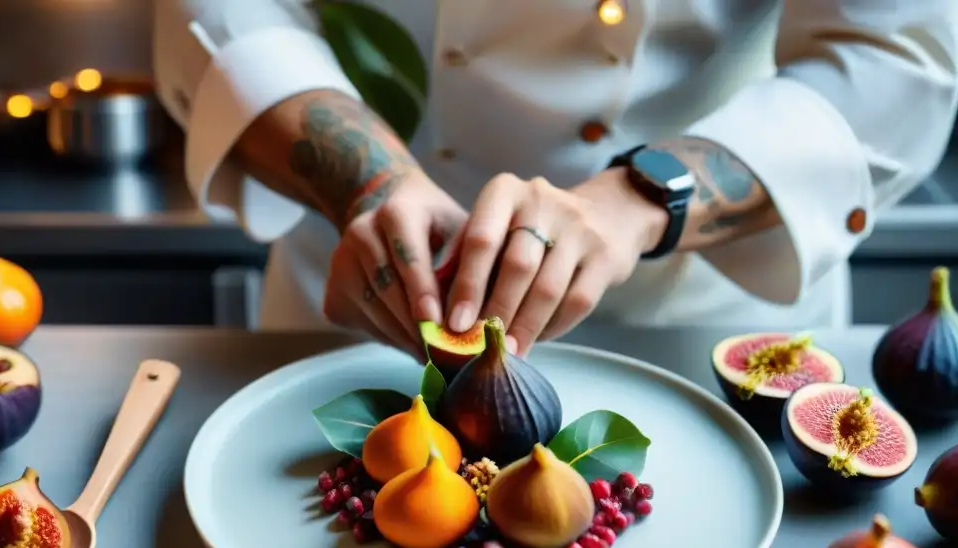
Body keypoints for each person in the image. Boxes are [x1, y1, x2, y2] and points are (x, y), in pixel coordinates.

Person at [153, 0, 958, 357]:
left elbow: (893, 58)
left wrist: (641, 199)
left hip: (698, 311)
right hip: (363, 301)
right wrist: (369, 182)